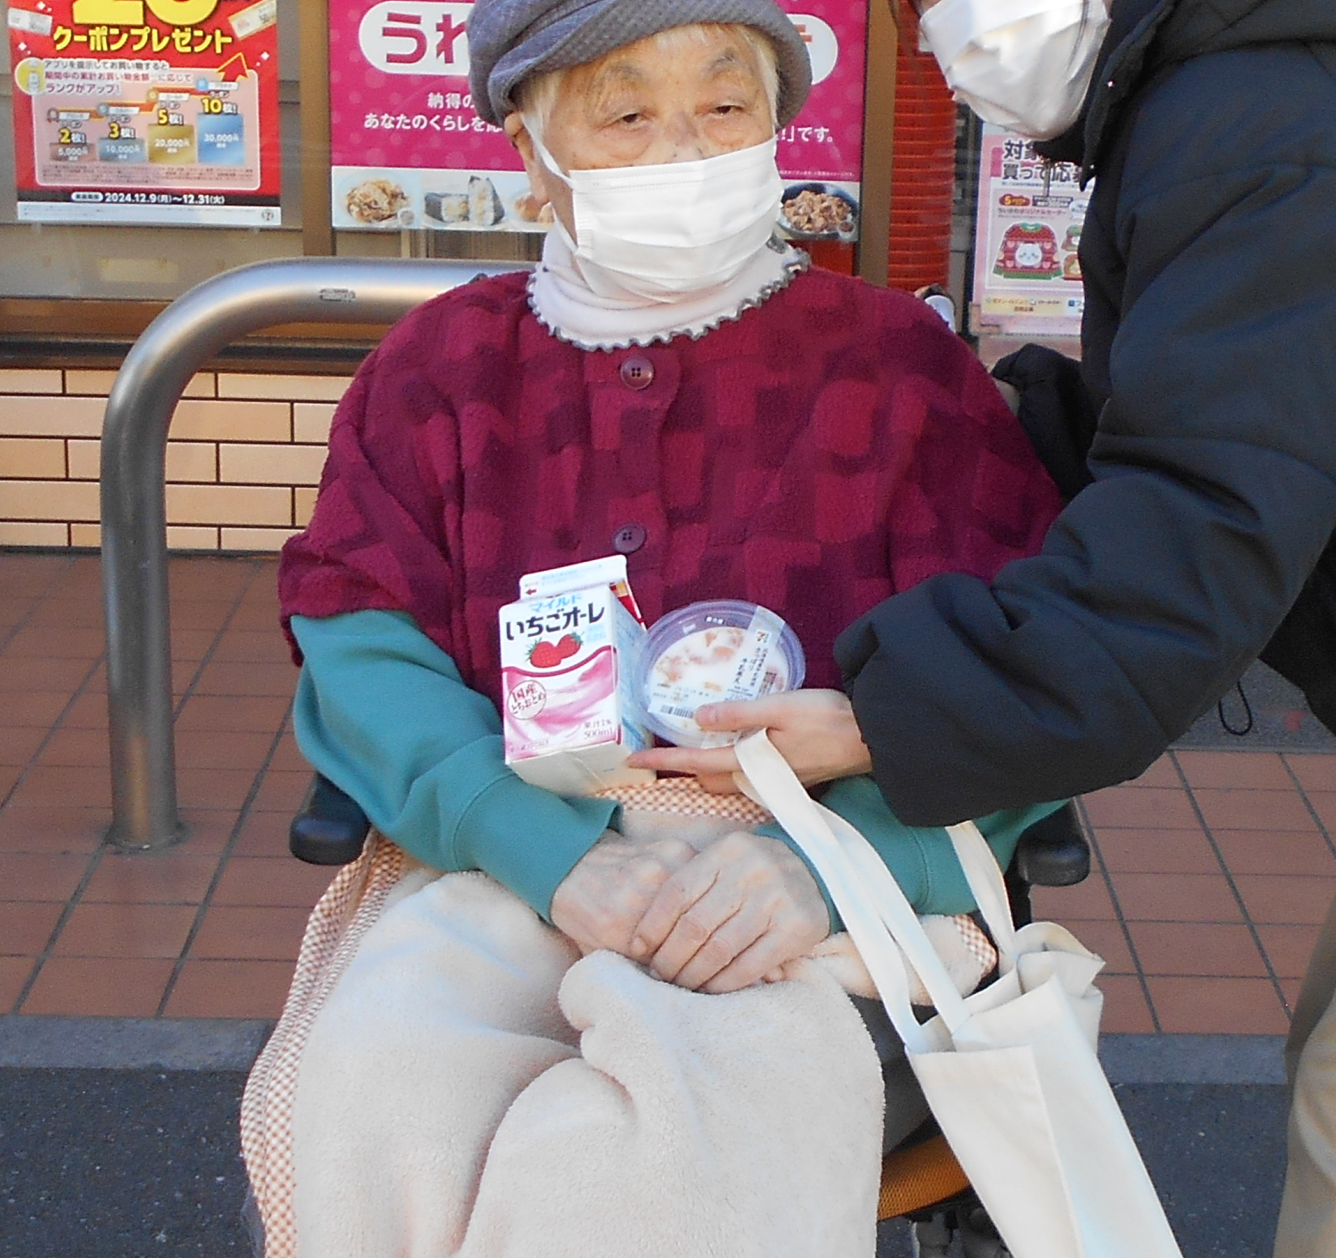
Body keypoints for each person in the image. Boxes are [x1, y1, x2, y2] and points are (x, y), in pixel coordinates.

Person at [632, 1, 1336, 1255]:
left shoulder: (1257, 124)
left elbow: (1203, 521)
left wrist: (888, 714)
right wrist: (960, 425)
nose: (938, 36)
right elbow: (1235, 420)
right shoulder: (1247, 87)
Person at [267, 1, 1067, 1244]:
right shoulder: (440, 369)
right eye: (626, 111)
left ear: (777, 131)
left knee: (643, 1160)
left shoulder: (898, 365)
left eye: (725, 103)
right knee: (388, 1094)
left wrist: (826, 866)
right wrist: (547, 851)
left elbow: (1018, 655)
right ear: (535, 156)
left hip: (824, 876)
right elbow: (360, 630)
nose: (686, 147)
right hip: (508, 851)